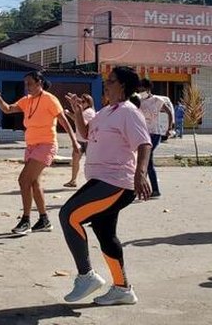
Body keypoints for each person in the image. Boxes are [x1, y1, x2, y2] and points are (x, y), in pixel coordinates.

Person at [59, 66, 152, 306]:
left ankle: (86, 276)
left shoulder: (129, 112)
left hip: (117, 182)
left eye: (110, 81)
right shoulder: (105, 112)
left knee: (68, 215)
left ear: (122, 85)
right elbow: (86, 134)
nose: (106, 84)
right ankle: (122, 289)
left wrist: (141, 174)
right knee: (106, 235)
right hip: (101, 180)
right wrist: (79, 113)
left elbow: (144, 144)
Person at [0, 71, 80, 235]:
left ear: (39, 82)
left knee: (23, 179)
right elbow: (8, 109)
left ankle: (26, 220)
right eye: (25, 84)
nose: (27, 87)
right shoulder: (27, 100)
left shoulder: (49, 99)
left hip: (46, 144)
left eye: (30, 83)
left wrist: (74, 141)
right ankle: (44, 220)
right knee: (34, 183)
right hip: (31, 146)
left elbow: (63, 120)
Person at [138, 78, 173, 198]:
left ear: (148, 89)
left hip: (155, 134)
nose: (140, 91)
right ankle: (152, 189)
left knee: (146, 159)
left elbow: (169, 112)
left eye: (142, 89)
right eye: (139, 89)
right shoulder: (139, 101)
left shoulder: (157, 100)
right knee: (147, 162)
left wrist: (169, 128)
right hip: (143, 134)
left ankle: (147, 188)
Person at [63, 94, 95, 188]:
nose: (81, 103)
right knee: (75, 160)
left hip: (87, 140)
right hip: (81, 139)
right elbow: (77, 120)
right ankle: (73, 180)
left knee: (88, 162)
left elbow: (81, 122)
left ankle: (90, 182)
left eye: (83, 101)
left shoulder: (89, 112)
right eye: (80, 101)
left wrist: (69, 113)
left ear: (89, 103)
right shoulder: (84, 111)